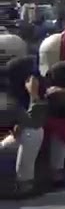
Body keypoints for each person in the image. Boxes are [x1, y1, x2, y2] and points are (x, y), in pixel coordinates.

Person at [1, 56, 48, 198]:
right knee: (32, 132)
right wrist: (33, 96)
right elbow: (34, 122)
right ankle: (23, 184)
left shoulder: (18, 96)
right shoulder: (7, 98)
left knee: (31, 131)